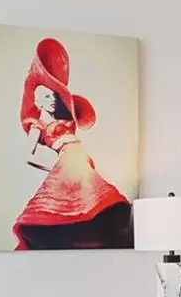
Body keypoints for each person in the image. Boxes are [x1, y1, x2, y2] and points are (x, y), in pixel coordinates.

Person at [11, 38, 133, 250]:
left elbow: (82, 117)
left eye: (53, 96)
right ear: (38, 102)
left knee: (94, 196)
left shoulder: (64, 116)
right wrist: (54, 168)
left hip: (79, 156)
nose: (52, 100)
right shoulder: (38, 126)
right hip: (68, 159)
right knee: (70, 202)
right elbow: (28, 156)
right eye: (46, 96)